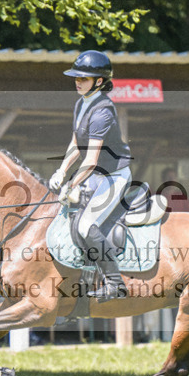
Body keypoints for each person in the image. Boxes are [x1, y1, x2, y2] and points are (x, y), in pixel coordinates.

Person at [49, 50, 133, 301]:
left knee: (86, 225)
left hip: (114, 176)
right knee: (67, 215)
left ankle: (115, 283)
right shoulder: (81, 103)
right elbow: (76, 144)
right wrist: (61, 170)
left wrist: (70, 184)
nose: (77, 81)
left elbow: (91, 159)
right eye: (76, 77)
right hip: (96, 174)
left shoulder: (103, 112)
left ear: (99, 81)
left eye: (83, 78)